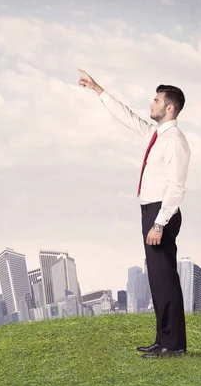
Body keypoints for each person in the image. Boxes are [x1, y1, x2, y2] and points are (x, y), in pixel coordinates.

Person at [77, 68, 191, 358]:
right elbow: (126, 115)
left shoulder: (175, 141)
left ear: (169, 107)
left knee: (165, 279)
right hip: (151, 212)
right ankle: (163, 340)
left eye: (156, 100)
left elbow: (176, 187)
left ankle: (174, 345)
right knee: (158, 279)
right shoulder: (156, 134)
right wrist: (97, 89)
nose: (150, 104)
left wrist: (159, 224)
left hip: (160, 213)